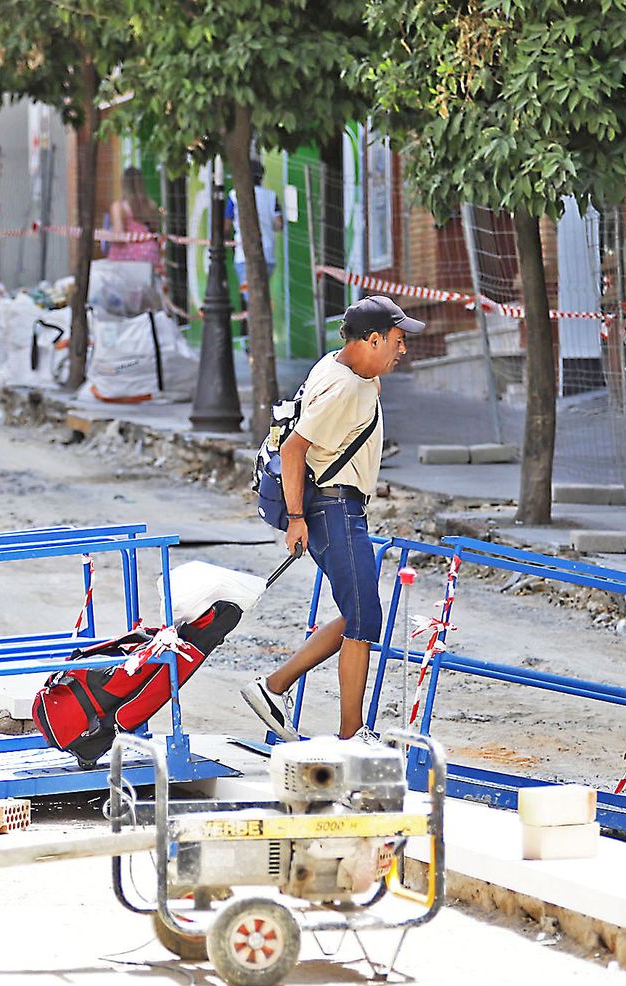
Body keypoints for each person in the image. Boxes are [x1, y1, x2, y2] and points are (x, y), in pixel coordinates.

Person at [241, 295, 424, 744]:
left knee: (360, 611)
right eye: (398, 341)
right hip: (332, 508)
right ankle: (350, 735)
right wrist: (297, 518)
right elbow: (293, 449)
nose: (403, 351)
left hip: (336, 507)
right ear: (373, 339)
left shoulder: (340, 368)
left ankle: (274, 686)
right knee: (363, 621)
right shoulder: (344, 387)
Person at [225, 159, 281, 290]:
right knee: (262, 293)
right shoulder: (272, 196)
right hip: (268, 253)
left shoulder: (234, 195)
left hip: (243, 253)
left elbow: (226, 226)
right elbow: (279, 224)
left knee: (249, 294)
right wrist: (267, 225)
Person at [107, 167, 162, 267]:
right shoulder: (151, 205)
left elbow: (119, 235)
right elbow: (155, 230)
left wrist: (107, 235)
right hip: (150, 253)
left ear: (123, 184)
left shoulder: (119, 207)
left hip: (126, 256)